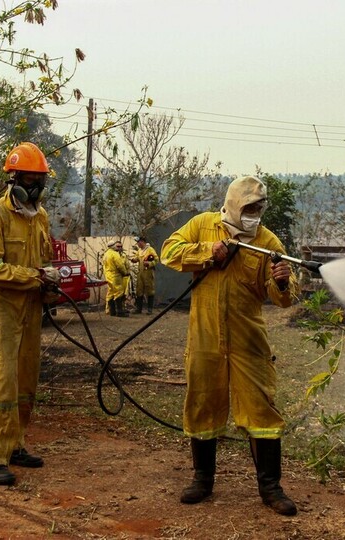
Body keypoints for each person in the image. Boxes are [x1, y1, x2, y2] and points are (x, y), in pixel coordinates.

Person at [160, 176, 299, 516]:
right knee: (203, 401)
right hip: (205, 337)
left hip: (248, 340)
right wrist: (208, 252)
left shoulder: (266, 241)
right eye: (249, 208)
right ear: (235, 205)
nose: (254, 214)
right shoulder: (203, 226)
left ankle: (270, 487)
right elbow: (169, 252)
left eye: (259, 208)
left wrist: (281, 281)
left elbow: (286, 297)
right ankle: (202, 480)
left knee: (261, 408)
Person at [0, 142, 60, 486]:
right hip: (3, 312)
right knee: (1, 382)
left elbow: (43, 259)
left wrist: (50, 279)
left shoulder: (39, 216)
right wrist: (33, 277)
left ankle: (15, 445)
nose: (36, 187)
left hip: (31, 309)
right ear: (14, 179)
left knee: (26, 381)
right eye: (30, 179)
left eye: (40, 180)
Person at [103, 239, 130, 317]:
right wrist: (125, 273)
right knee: (119, 292)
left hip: (108, 275)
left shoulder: (106, 254)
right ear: (113, 246)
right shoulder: (114, 254)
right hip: (116, 275)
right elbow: (120, 265)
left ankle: (112, 311)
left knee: (111, 292)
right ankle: (120, 312)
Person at [131, 236, 158, 314]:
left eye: (139, 242)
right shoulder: (139, 250)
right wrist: (134, 259)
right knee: (139, 290)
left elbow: (156, 260)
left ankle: (150, 309)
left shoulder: (150, 249)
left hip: (148, 272)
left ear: (142, 242)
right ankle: (138, 309)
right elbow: (137, 257)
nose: (138, 244)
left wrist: (149, 263)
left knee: (149, 290)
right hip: (140, 272)